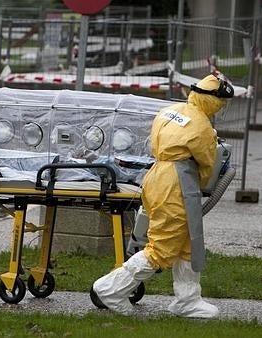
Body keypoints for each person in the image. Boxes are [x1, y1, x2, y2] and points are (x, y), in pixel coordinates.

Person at [92, 74, 234, 318]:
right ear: (213, 100)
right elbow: (207, 166)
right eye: (222, 102)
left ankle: (188, 300)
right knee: (161, 248)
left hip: (157, 175)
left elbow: (153, 144)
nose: (222, 108)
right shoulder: (202, 126)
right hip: (176, 184)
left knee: (188, 241)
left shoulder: (170, 110)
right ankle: (110, 290)